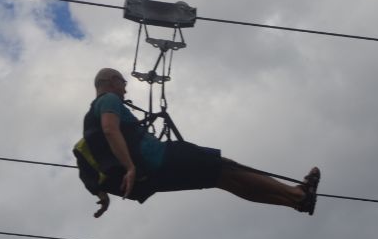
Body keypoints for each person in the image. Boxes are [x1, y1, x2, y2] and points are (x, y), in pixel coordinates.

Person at [79, 67, 321, 218]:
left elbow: (85, 159)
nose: (125, 91)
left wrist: (101, 192)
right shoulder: (109, 100)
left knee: (223, 179)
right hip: (159, 158)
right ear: (112, 81)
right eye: (123, 84)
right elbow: (111, 130)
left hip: (152, 178)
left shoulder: (89, 123)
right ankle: (297, 194)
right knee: (228, 167)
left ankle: (296, 201)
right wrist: (130, 167)